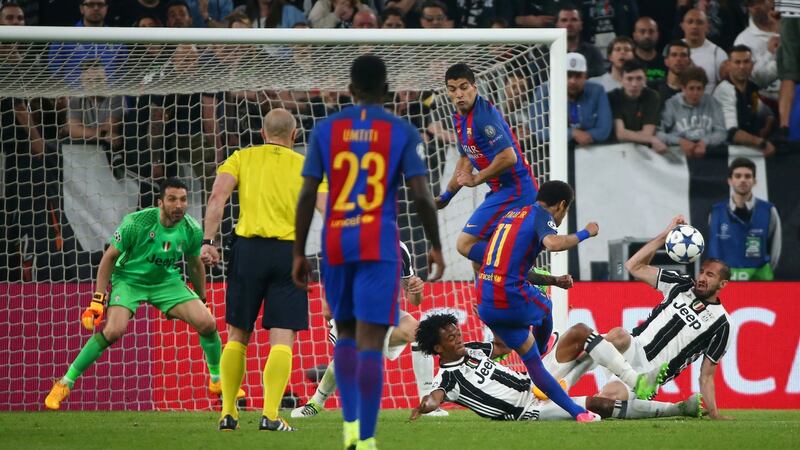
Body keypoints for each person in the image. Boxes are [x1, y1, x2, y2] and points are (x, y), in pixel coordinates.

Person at [292, 54, 444, 449]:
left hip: (337, 241)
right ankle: (366, 438)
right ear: (388, 91)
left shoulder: (326, 129)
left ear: (350, 90)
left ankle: (349, 426)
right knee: (372, 339)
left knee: (344, 334)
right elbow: (422, 196)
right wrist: (435, 245)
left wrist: (297, 252)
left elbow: (308, 193)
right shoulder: (400, 131)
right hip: (379, 241)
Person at [44, 178, 232, 410]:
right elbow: (109, 258)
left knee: (207, 322)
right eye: (172, 199)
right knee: (113, 330)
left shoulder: (191, 228)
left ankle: (217, 380)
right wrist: (98, 299)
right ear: (160, 202)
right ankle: (64, 383)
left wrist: (203, 299)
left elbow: (194, 265)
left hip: (165, 280)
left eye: (183, 200)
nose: (179, 205)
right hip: (129, 280)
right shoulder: (136, 222)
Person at [202, 108, 324, 432]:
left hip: (248, 251)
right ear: (295, 135)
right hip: (289, 254)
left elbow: (218, 196)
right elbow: (329, 209)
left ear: (262, 132)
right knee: (283, 336)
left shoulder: (241, 157)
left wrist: (207, 241)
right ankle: (270, 415)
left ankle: (228, 413)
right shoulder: (307, 165)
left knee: (237, 334)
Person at [473, 180, 616, 422]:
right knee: (545, 306)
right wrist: (586, 232)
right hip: (506, 295)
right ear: (561, 205)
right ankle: (544, 353)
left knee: (533, 365)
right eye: (566, 210)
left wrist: (553, 280)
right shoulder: (541, 215)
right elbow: (554, 244)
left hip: (485, 299)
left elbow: (511, 267)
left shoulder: (512, 214)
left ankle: (579, 413)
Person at [409, 313, 703, 422]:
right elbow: (434, 397)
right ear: (438, 349)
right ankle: (679, 409)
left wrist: (497, 317)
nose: (458, 338)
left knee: (578, 331)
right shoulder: (447, 379)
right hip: (526, 411)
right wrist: (425, 404)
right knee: (599, 404)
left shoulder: (473, 349)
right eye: (451, 337)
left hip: (535, 382)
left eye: (457, 333)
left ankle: (637, 380)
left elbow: (503, 347)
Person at [291, 241, 448, 418]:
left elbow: (415, 301)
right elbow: (327, 308)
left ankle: (426, 402)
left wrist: (417, 289)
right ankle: (315, 403)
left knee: (421, 333)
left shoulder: (399, 248)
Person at [598, 215, 733, 420]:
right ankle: (555, 382)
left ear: (723, 285)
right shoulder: (681, 285)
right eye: (703, 272)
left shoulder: (722, 324)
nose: (703, 278)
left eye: (710, 275)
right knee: (616, 335)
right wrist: (665, 235)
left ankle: (656, 404)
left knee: (603, 403)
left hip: (649, 374)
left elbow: (706, 375)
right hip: (632, 348)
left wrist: (714, 413)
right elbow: (633, 266)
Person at [436, 62, 537, 266]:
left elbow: (509, 157)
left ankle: (521, 270)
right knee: (478, 256)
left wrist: (477, 178)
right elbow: (466, 159)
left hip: (516, 191)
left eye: (464, 87)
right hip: (502, 191)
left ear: (475, 87)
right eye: (453, 89)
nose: (459, 94)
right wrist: (446, 196)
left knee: (465, 244)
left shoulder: (483, 117)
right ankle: (486, 298)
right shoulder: (460, 118)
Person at [707, 157, 782, 281]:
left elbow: (775, 250)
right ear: (730, 180)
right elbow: (711, 247)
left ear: (754, 181)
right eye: (738, 176)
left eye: (747, 176)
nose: (743, 180)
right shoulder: (715, 211)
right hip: (723, 282)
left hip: (759, 283)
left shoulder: (769, 210)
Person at [713, 45, 776, 157]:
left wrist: (767, 126)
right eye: (737, 62)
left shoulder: (752, 88)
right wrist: (760, 142)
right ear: (729, 65)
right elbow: (731, 132)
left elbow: (765, 112)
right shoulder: (725, 90)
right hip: (727, 152)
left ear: (751, 65)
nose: (742, 66)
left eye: (746, 62)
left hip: (751, 147)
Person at [657, 66, 727, 158]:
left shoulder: (712, 103)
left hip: (708, 154)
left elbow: (721, 132)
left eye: (699, 88)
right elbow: (658, 133)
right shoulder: (671, 104)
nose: (695, 93)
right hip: (679, 155)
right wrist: (680, 141)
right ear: (683, 88)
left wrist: (704, 142)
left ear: (704, 89)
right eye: (691, 88)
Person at [608, 59, 666, 152]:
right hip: (617, 149)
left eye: (639, 78)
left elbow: (647, 133)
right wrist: (652, 139)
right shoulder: (613, 96)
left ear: (645, 79)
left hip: (643, 149)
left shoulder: (652, 96)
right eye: (629, 79)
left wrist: (629, 135)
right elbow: (620, 134)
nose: (634, 84)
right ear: (621, 80)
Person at [734, 0, 781, 102]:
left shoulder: (791, 29)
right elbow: (755, 80)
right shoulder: (743, 40)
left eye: (759, 2)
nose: (755, 7)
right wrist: (770, 54)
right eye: (751, 4)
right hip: (764, 103)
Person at [565, 52, 612, 146]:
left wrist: (583, 136)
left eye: (578, 76)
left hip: (590, 149)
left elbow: (604, 130)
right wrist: (572, 133)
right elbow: (538, 130)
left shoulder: (597, 90)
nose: (572, 81)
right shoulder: (545, 91)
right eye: (568, 76)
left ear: (585, 77)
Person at [680, 9, 727, 94]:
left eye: (699, 22)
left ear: (707, 27)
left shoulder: (718, 54)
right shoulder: (672, 49)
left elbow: (725, 88)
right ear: (683, 26)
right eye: (690, 22)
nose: (694, 26)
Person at [556, 5, 606, 78]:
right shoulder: (547, 52)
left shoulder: (593, 52)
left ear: (581, 25)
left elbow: (600, 80)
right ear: (557, 25)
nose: (569, 24)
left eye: (574, 20)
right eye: (564, 20)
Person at [648, 40, 693, 111]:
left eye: (683, 55)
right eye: (674, 55)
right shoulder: (653, 87)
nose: (678, 59)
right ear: (666, 61)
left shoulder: (694, 89)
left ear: (689, 61)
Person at [633, 17, 667, 81]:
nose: (647, 36)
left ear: (658, 34)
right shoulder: (627, 62)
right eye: (642, 32)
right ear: (634, 35)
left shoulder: (666, 63)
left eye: (651, 31)